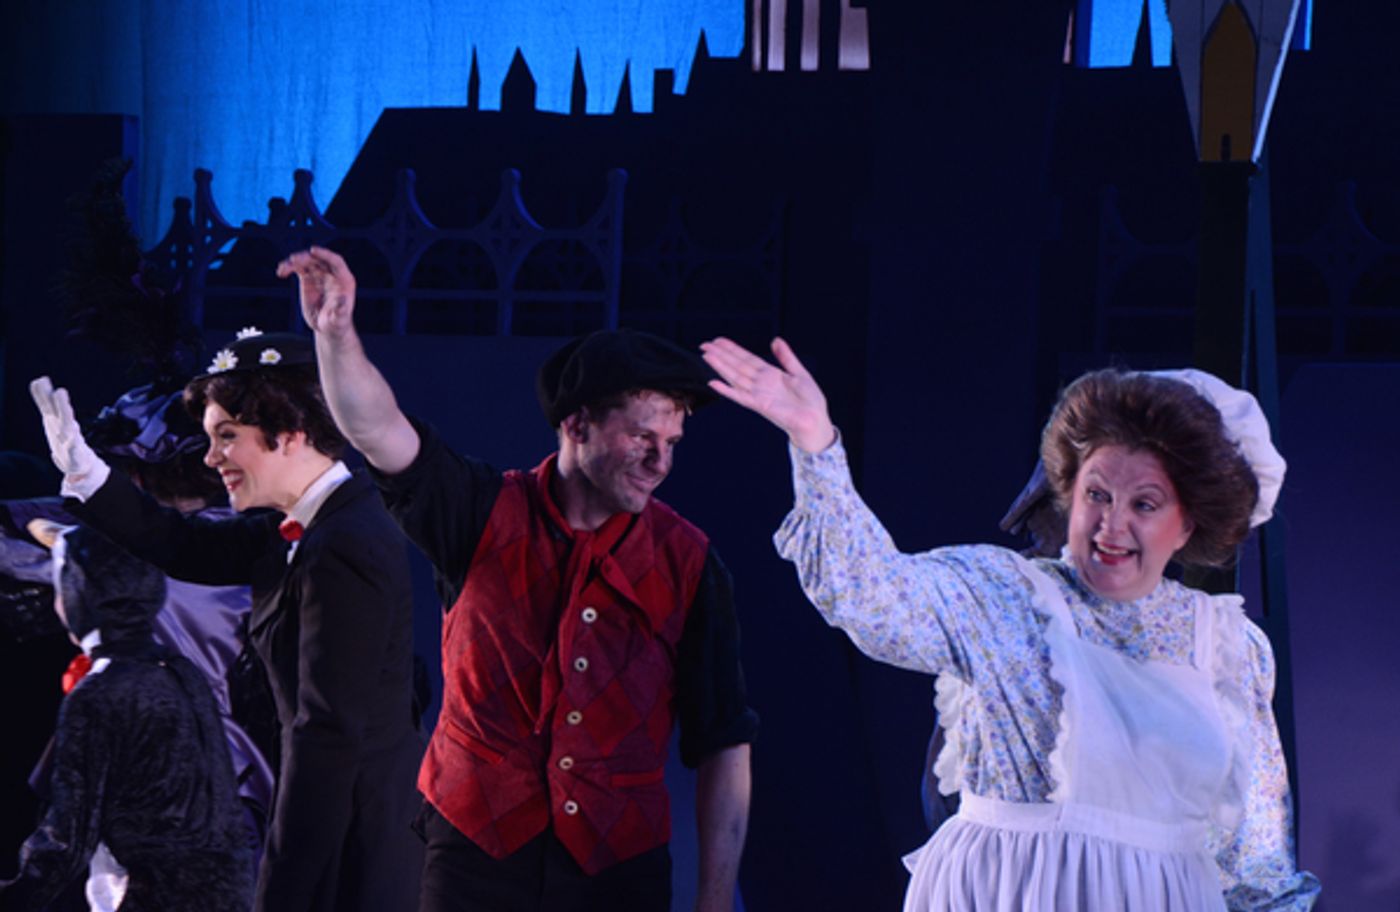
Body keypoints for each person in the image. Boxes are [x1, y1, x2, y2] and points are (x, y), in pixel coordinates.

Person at [700, 336, 1320, 911]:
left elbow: (1256, 854)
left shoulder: (1232, 646)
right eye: (1096, 494)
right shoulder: (1003, 594)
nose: (1110, 526)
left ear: (1187, 524)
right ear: (1068, 493)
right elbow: (873, 597)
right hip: (1009, 892)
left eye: (1145, 505)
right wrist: (816, 446)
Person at [278, 246, 758, 912]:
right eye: (644, 436)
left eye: (673, 443)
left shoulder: (691, 563)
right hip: (475, 855)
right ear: (576, 423)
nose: (659, 461)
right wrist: (334, 338)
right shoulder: (476, 509)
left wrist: (712, 905)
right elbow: (376, 428)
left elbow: (723, 743)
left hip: (617, 869)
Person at [30, 330, 424, 912]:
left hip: (355, 845)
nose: (210, 458)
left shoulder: (346, 544)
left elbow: (327, 737)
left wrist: (280, 890)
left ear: (289, 434)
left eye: (226, 437)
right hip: (332, 831)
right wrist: (87, 474)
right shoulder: (299, 525)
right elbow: (182, 544)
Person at [0, 524, 254, 912]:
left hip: (148, 893)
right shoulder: (178, 669)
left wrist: (15, 895)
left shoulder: (102, 691)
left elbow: (69, 837)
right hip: (223, 892)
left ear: (78, 594)